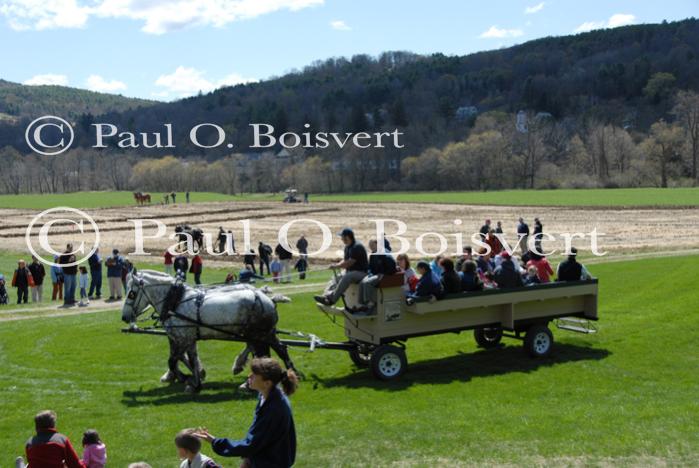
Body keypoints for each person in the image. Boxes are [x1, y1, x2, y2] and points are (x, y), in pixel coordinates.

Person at [194, 358, 297, 468]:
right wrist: (248, 459)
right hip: (263, 459)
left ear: (267, 383)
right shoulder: (267, 395)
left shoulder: (274, 408)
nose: (249, 376)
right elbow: (259, 439)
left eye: (254, 375)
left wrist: (215, 441)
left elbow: (251, 444)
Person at [314, 228, 369, 306]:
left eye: (342, 237)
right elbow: (345, 260)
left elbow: (350, 262)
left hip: (362, 273)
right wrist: (336, 265)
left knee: (347, 277)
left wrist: (337, 266)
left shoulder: (357, 247)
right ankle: (325, 296)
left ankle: (332, 300)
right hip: (351, 271)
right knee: (336, 278)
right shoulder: (347, 247)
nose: (341, 239)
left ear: (347, 237)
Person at [359, 239, 397, 310]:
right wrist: (370, 274)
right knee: (362, 282)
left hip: (383, 275)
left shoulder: (384, 253)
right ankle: (362, 303)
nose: (371, 247)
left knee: (367, 283)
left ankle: (371, 302)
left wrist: (384, 274)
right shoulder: (373, 254)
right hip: (374, 274)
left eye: (372, 245)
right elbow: (370, 267)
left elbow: (392, 267)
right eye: (370, 246)